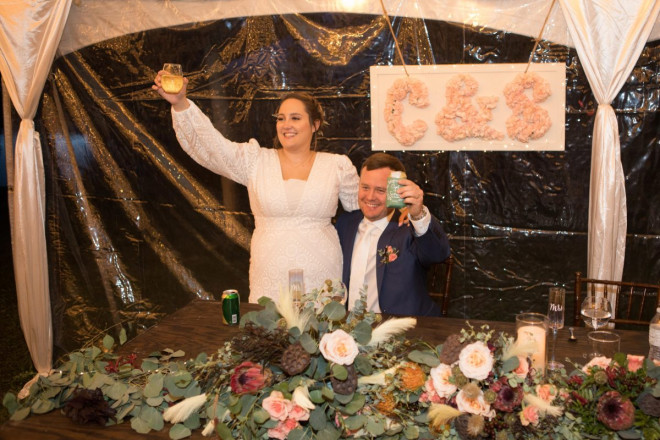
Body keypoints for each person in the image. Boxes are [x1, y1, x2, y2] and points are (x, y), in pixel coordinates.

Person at [153, 72, 359, 303]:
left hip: (321, 276)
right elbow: (213, 148)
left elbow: (364, 207)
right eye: (280, 118)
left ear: (315, 125)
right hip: (270, 276)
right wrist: (181, 104)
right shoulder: (255, 161)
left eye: (295, 118)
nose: (286, 125)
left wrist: (402, 210)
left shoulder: (338, 166)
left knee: (322, 336)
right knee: (267, 334)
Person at [335, 153, 451, 316]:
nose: (370, 197)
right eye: (365, 187)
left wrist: (418, 214)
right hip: (350, 329)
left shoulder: (409, 227)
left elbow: (438, 253)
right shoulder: (346, 223)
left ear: (397, 190)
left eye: (380, 190)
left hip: (404, 331)